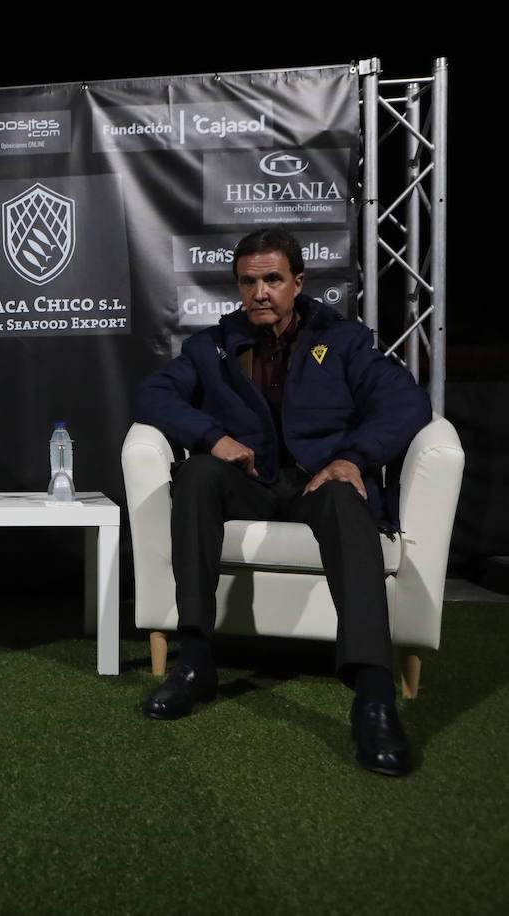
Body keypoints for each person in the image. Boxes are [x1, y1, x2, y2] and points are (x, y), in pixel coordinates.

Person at [132, 227, 431, 776]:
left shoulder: (343, 341)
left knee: (347, 499)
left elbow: (406, 403)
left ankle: (373, 696)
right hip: (251, 484)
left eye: (272, 279)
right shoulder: (212, 346)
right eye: (248, 282)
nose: (260, 292)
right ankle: (195, 662)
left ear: (298, 282)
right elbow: (152, 394)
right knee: (196, 475)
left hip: (318, 483)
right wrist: (213, 438)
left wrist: (353, 458)